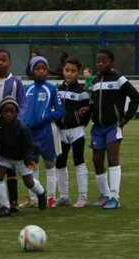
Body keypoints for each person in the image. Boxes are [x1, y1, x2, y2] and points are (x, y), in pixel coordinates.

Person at [0, 97, 47, 216]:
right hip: (4, 156)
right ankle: (5, 206)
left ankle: (41, 192)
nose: (8, 114)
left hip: (20, 158)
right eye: (5, 111)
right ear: (1, 112)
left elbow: (29, 147)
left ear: (16, 113)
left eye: (11, 111)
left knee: (28, 182)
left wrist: (29, 160)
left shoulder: (22, 128)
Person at [89, 49, 139, 209]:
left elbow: (136, 96)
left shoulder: (119, 78)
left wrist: (126, 117)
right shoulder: (95, 81)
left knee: (112, 158)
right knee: (97, 161)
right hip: (97, 128)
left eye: (103, 61)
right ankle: (105, 194)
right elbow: (93, 103)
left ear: (111, 62)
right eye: (98, 61)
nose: (100, 64)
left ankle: (115, 197)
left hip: (113, 126)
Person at [21, 56, 64, 209]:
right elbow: (22, 111)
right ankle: (34, 197)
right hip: (30, 134)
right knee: (32, 164)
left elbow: (60, 111)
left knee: (50, 164)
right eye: (37, 69)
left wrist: (45, 117)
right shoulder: (27, 90)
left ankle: (51, 197)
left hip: (47, 132)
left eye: (44, 69)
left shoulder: (52, 89)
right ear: (32, 71)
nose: (41, 71)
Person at [0, 49, 26, 213]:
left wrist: (18, 123)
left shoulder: (16, 82)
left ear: (9, 62)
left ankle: (13, 201)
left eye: (3, 60)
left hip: (10, 130)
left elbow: (23, 104)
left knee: (10, 165)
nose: (0, 63)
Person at [56, 57, 91, 208]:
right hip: (60, 132)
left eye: (73, 71)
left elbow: (86, 112)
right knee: (60, 162)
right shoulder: (57, 90)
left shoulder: (82, 93)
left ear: (78, 73)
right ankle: (64, 196)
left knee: (79, 161)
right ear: (63, 70)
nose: (69, 74)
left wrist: (78, 122)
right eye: (67, 70)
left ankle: (83, 196)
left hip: (77, 131)